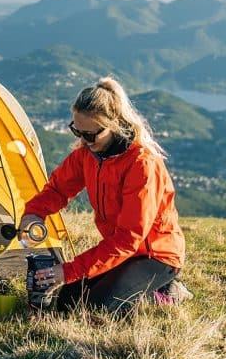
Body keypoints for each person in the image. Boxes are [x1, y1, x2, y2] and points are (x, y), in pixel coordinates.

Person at [20, 77, 186, 314]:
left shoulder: (142, 165)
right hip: (121, 253)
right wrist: (34, 213)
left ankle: (167, 292)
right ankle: (133, 287)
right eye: (77, 131)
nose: (83, 141)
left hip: (155, 256)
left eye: (90, 135)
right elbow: (57, 190)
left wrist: (68, 271)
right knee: (68, 300)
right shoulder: (87, 154)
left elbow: (129, 238)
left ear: (113, 125)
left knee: (99, 309)